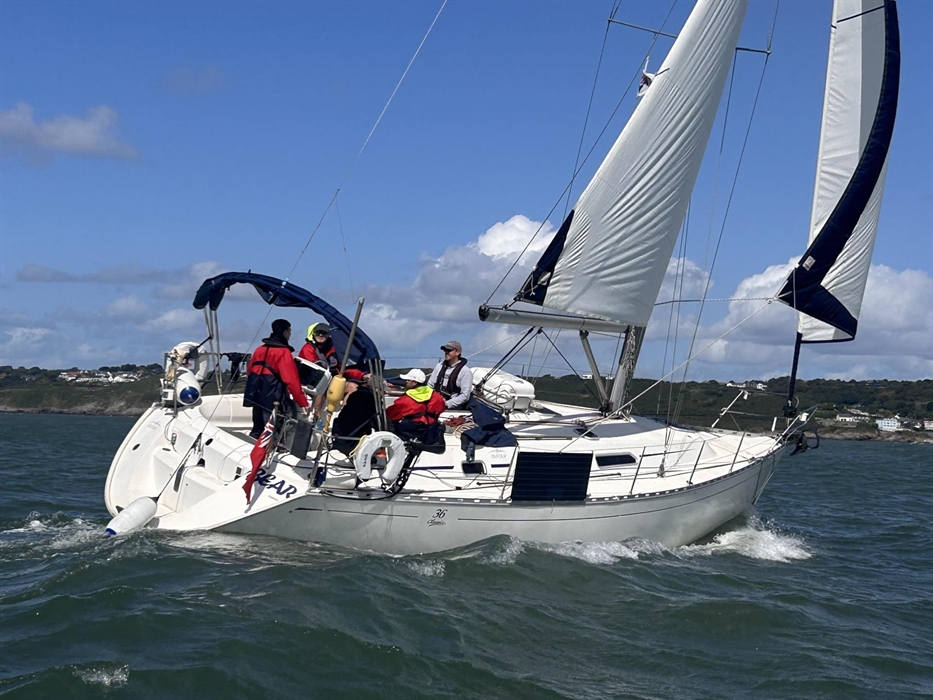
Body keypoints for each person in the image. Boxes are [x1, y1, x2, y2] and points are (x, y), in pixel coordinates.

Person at [243, 319, 309, 439]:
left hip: (255, 393)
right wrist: (303, 402)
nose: (290, 333)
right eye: (290, 330)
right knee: (273, 432)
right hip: (272, 395)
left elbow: (249, 371)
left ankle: (252, 450)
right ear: (285, 332)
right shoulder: (283, 352)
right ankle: (274, 450)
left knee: (257, 430)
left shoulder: (259, 349)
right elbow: (291, 380)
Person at [386, 368, 446, 443]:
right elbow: (442, 408)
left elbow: (390, 415)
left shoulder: (405, 400)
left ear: (414, 382)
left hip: (413, 432)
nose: (406, 382)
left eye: (408, 380)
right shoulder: (437, 397)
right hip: (431, 431)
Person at [428, 340, 473, 410]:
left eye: (449, 351)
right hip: (435, 404)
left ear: (457, 352)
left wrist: (446, 404)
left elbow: (465, 396)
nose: (446, 353)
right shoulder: (439, 366)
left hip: (454, 408)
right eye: (445, 351)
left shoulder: (465, 371)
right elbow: (430, 386)